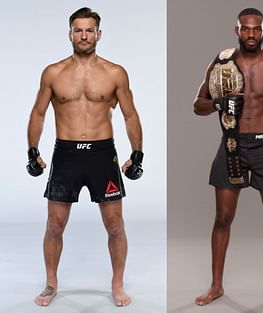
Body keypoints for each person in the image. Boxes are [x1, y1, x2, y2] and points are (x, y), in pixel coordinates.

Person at [27, 7, 144, 307]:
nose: (83, 35)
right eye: (78, 30)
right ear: (70, 34)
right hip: (65, 155)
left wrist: (137, 154)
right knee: (54, 224)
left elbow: (130, 115)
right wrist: (32, 151)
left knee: (115, 224)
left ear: (98, 34)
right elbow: (38, 113)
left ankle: (117, 284)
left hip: (103, 154)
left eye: (89, 30)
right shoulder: (53, 72)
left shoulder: (115, 72)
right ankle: (51, 283)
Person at [193, 7, 263, 308]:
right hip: (232, 144)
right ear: (237, 30)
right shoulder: (222, 63)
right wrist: (220, 104)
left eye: (256, 29)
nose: (251, 34)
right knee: (223, 218)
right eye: (245, 28)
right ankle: (216, 286)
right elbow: (198, 104)